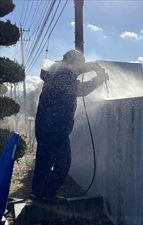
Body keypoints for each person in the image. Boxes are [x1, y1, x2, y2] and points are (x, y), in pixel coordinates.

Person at [31, 50, 108, 203]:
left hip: (45, 126)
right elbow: (81, 89)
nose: (80, 67)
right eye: (79, 63)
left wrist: (90, 66)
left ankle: (38, 193)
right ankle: (48, 194)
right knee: (63, 164)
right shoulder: (63, 77)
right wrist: (99, 79)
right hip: (56, 129)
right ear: (73, 62)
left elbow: (74, 71)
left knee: (44, 162)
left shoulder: (56, 71)